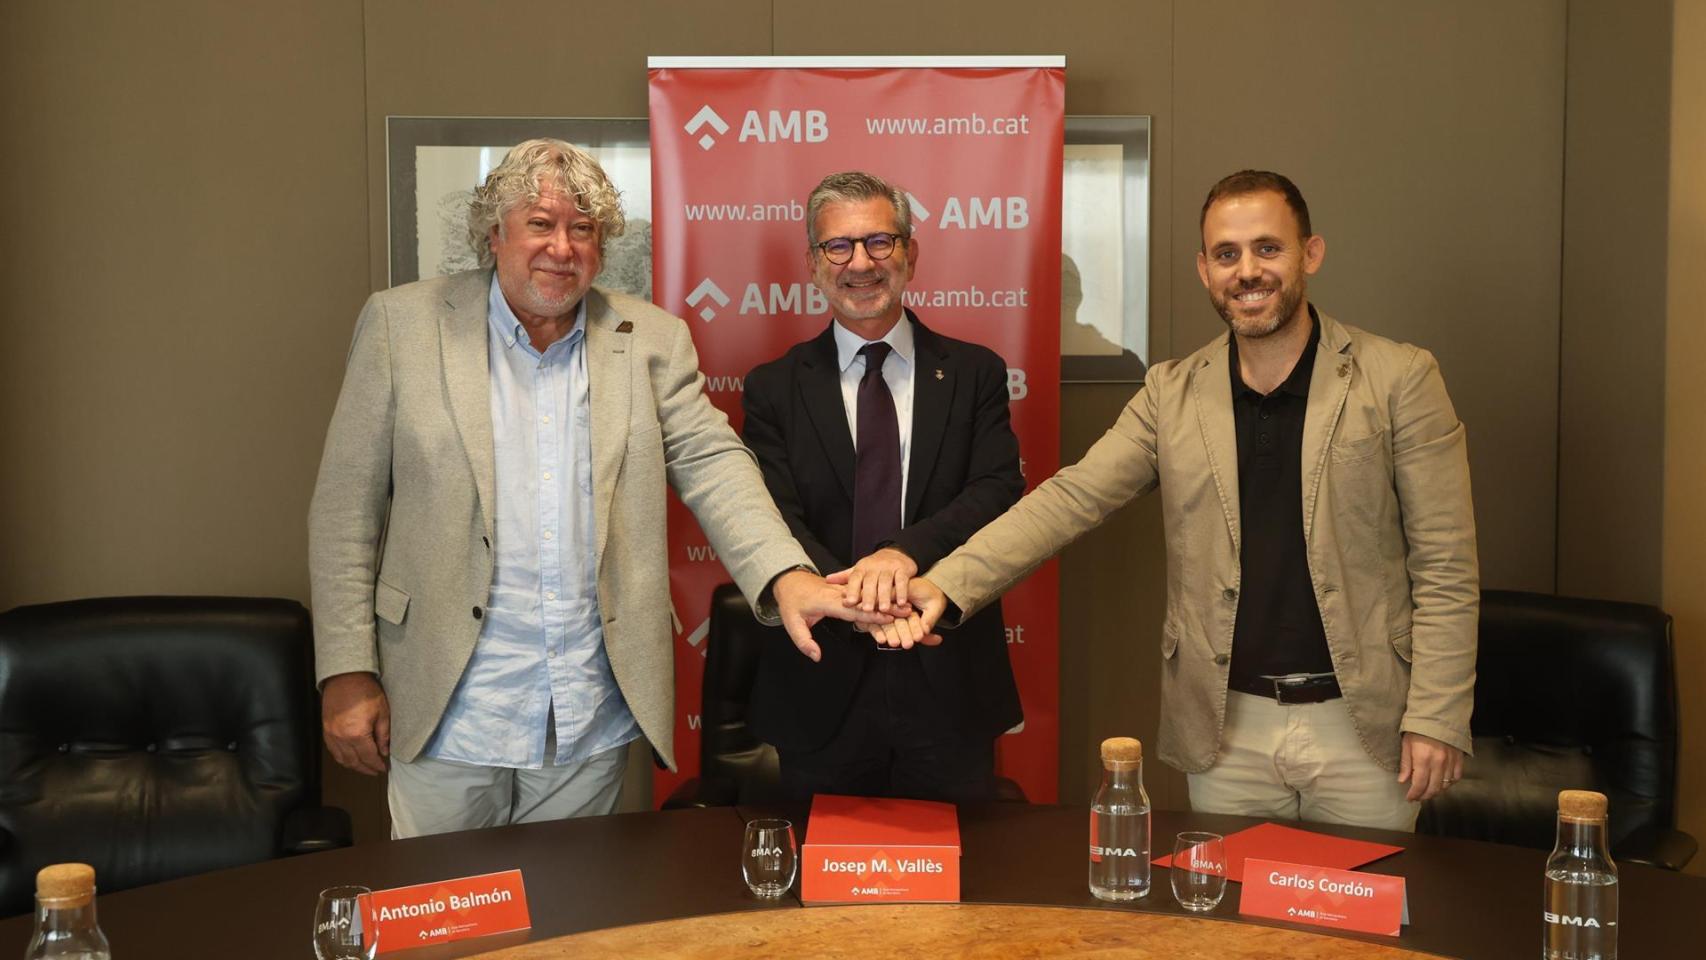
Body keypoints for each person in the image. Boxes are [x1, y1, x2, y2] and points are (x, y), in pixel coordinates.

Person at [308, 139, 882, 838]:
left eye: (583, 229)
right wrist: (345, 671)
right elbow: (345, 509)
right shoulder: (402, 326)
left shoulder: (650, 339)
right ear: (494, 234)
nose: (561, 247)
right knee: (445, 926)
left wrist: (787, 575)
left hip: (586, 706)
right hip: (448, 701)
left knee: (575, 922)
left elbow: (714, 462)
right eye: (540, 224)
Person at [874, 170, 1477, 830]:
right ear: (1204, 268)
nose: (1247, 271)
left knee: (1360, 930)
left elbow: (1446, 566)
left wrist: (1438, 715)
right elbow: (1071, 498)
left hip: (1365, 730)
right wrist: (944, 585)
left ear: (1311, 253)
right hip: (1225, 731)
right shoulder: (1172, 393)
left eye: (1267, 249)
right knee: (1230, 930)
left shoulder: (1399, 379)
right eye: (1227, 254)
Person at [740, 171, 1025, 803]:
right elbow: (772, 516)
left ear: (911, 254)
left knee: (961, 889)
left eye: (880, 242)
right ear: (814, 265)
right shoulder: (772, 388)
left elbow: (995, 490)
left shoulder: (975, 372)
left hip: (947, 672)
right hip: (820, 679)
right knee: (820, 890)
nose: (860, 263)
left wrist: (900, 559)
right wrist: (856, 600)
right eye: (838, 247)